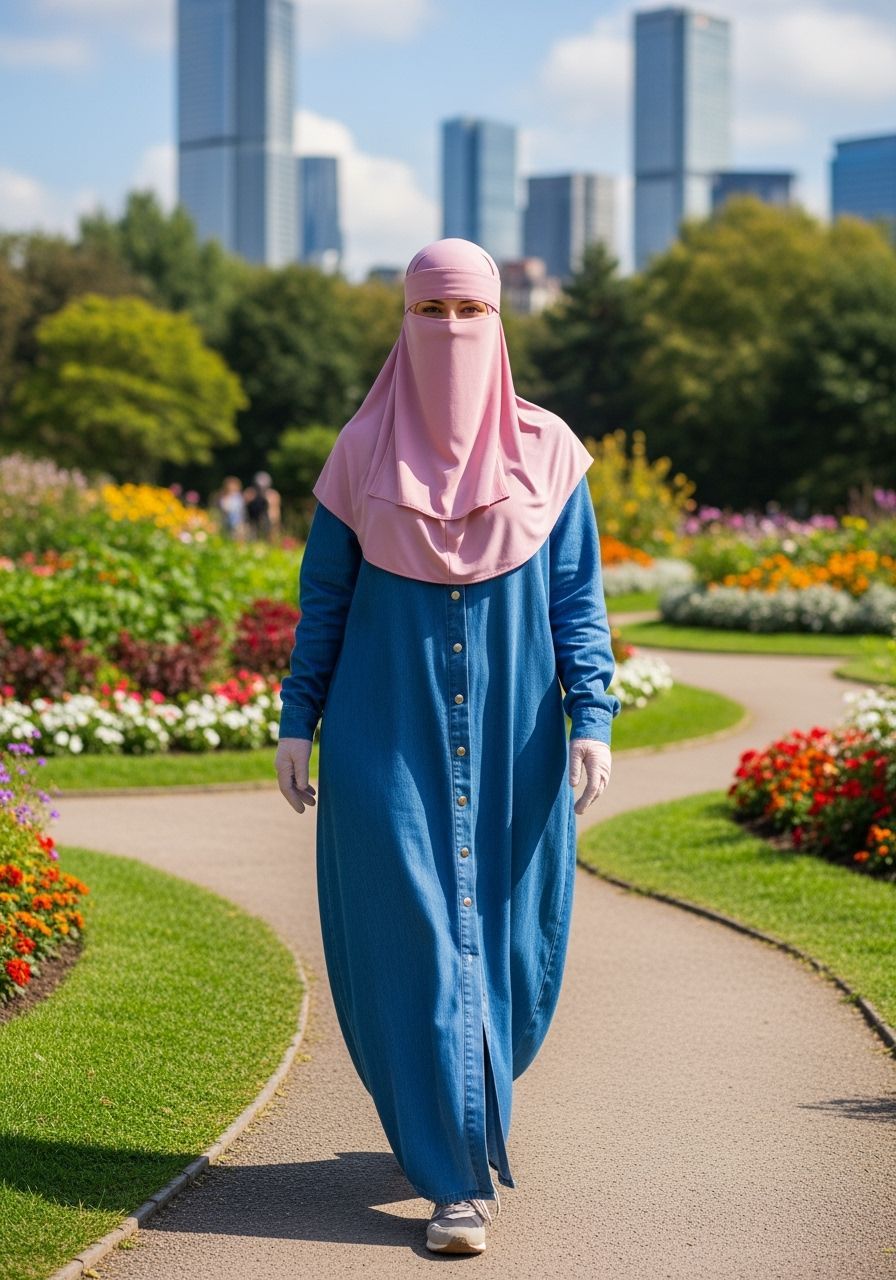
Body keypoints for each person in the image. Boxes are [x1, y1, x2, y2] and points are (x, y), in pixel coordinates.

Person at [275, 238, 620, 1255]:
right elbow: (323, 603)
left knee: (508, 949)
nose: (452, 332)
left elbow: (577, 605)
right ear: (402, 321)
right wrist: (298, 719)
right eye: (431, 312)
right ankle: (456, 1181)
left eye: (469, 312)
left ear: (500, 319)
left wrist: (591, 719)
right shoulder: (358, 454)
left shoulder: (551, 455)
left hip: (515, 740)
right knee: (420, 944)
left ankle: (449, 1108)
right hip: (382, 735)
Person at [216, 476, 246, 540]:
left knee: (238, 537)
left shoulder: (238, 497)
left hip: (238, 522)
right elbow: (223, 508)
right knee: (227, 537)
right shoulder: (223, 496)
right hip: (226, 521)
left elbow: (240, 509)